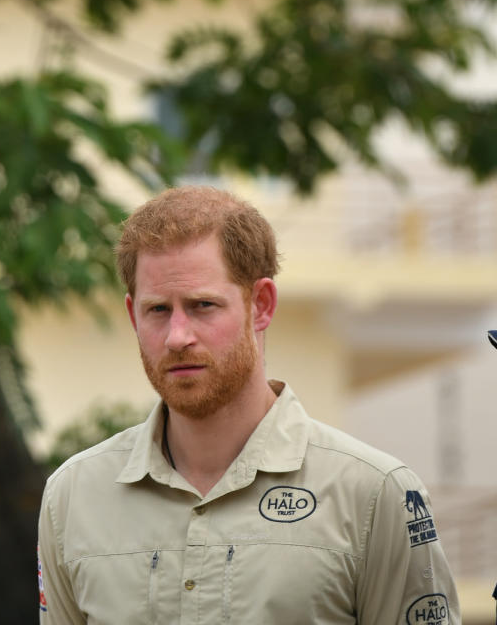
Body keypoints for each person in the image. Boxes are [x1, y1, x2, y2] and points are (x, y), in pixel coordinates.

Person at [37, 185, 459, 625]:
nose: (177, 336)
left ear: (261, 305)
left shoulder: (375, 494)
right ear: (132, 316)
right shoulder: (72, 497)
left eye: (203, 305)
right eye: (158, 310)